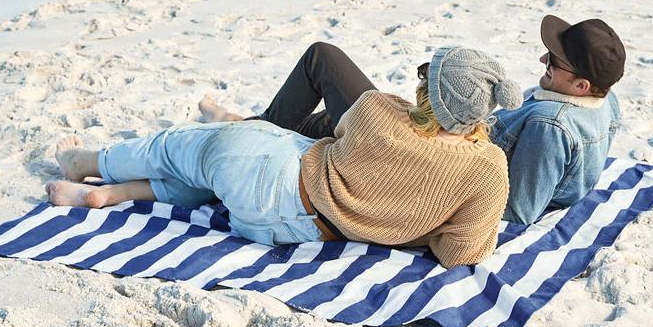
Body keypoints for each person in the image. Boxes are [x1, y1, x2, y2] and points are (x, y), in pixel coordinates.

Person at [45, 46, 521, 268]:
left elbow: (333, 137)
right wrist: (420, 220)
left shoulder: (379, 110)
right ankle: (116, 194)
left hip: (271, 171)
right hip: (280, 229)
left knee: (172, 148)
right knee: (214, 180)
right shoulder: (488, 171)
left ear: (429, 92)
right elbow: (459, 254)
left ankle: (88, 164)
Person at [200, 14, 625, 225]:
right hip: (452, 138)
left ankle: (247, 127)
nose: (542, 60)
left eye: (554, 60)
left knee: (322, 59)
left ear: (582, 85)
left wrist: (448, 153)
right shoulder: (603, 102)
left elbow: (517, 210)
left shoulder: (551, 129)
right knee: (338, 119)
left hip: (435, 161)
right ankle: (250, 124)